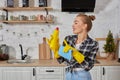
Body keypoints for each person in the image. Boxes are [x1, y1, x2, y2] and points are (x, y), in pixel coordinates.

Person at [57, 13, 99, 80]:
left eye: (76, 23)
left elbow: (89, 66)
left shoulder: (93, 44)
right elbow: (61, 60)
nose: (72, 25)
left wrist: (76, 54)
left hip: (83, 76)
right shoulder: (68, 39)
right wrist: (56, 50)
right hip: (68, 74)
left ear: (84, 26)